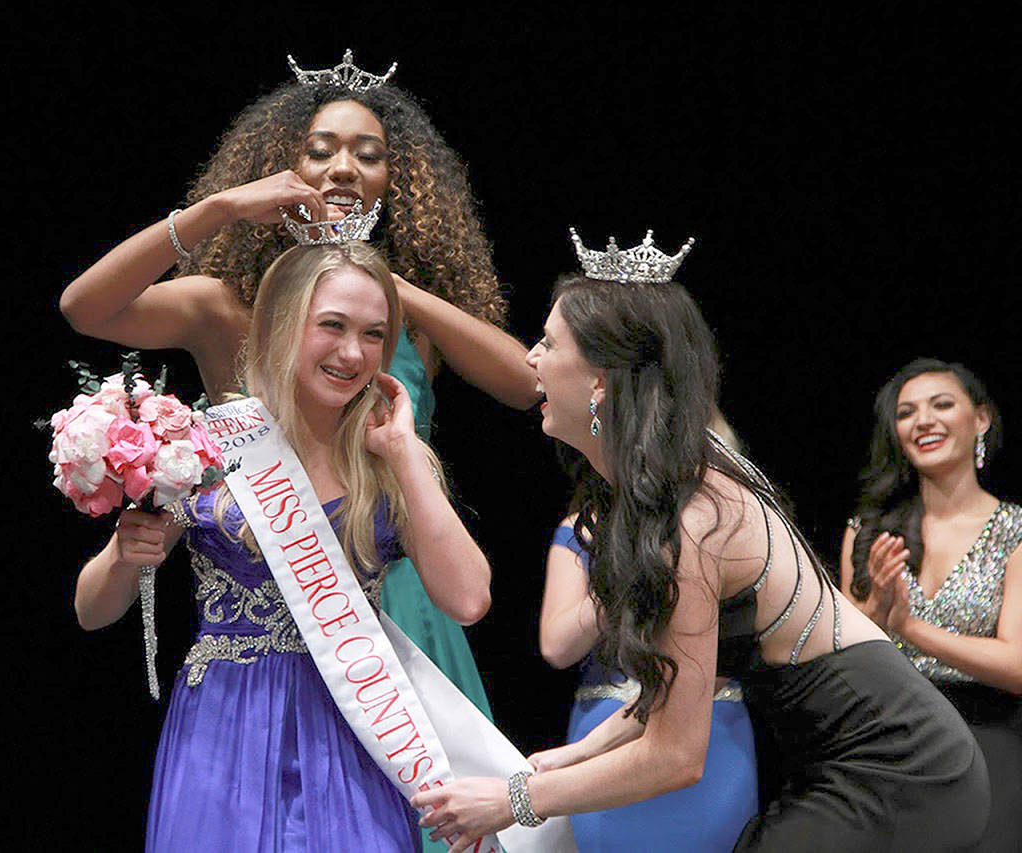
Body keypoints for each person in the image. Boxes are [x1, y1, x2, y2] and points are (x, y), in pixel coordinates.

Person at [411, 230, 989, 851]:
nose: (531, 358)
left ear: (601, 381)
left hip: (903, 773)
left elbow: (676, 757)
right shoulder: (669, 495)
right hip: (857, 768)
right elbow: (679, 686)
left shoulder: (695, 521)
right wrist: (575, 753)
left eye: (549, 343)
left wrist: (514, 801)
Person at [59, 56, 534, 780]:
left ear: (396, 180)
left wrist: (374, 280)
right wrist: (219, 209)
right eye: (321, 150)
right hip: (266, 567)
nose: (344, 167)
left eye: (369, 155)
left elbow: (527, 383)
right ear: (281, 167)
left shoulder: (402, 314)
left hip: (392, 587)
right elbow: (83, 307)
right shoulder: (222, 305)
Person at [74, 241, 492, 850]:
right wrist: (120, 555)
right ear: (280, 322)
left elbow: (469, 599)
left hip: (355, 730)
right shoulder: (204, 446)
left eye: (374, 335)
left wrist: (403, 452)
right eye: (332, 326)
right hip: (226, 732)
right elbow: (92, 611)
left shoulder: (391, 460)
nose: (353, 353)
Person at [840, 358, 1021, 851]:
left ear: (980, 419)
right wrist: (875, 613)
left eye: (941, 405)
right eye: (906, 413)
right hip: (888, 738)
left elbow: (1016, 665)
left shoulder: (1015, 530)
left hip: (987, 736)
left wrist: (910, 627)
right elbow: (840, 661)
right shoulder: (868, 531)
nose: (923, 421)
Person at [536, 480, 757, 849]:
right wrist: (625, 576)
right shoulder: (580, 528)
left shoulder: (715, 523)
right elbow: (556, 647)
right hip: (605, 731)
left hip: (710, 725)